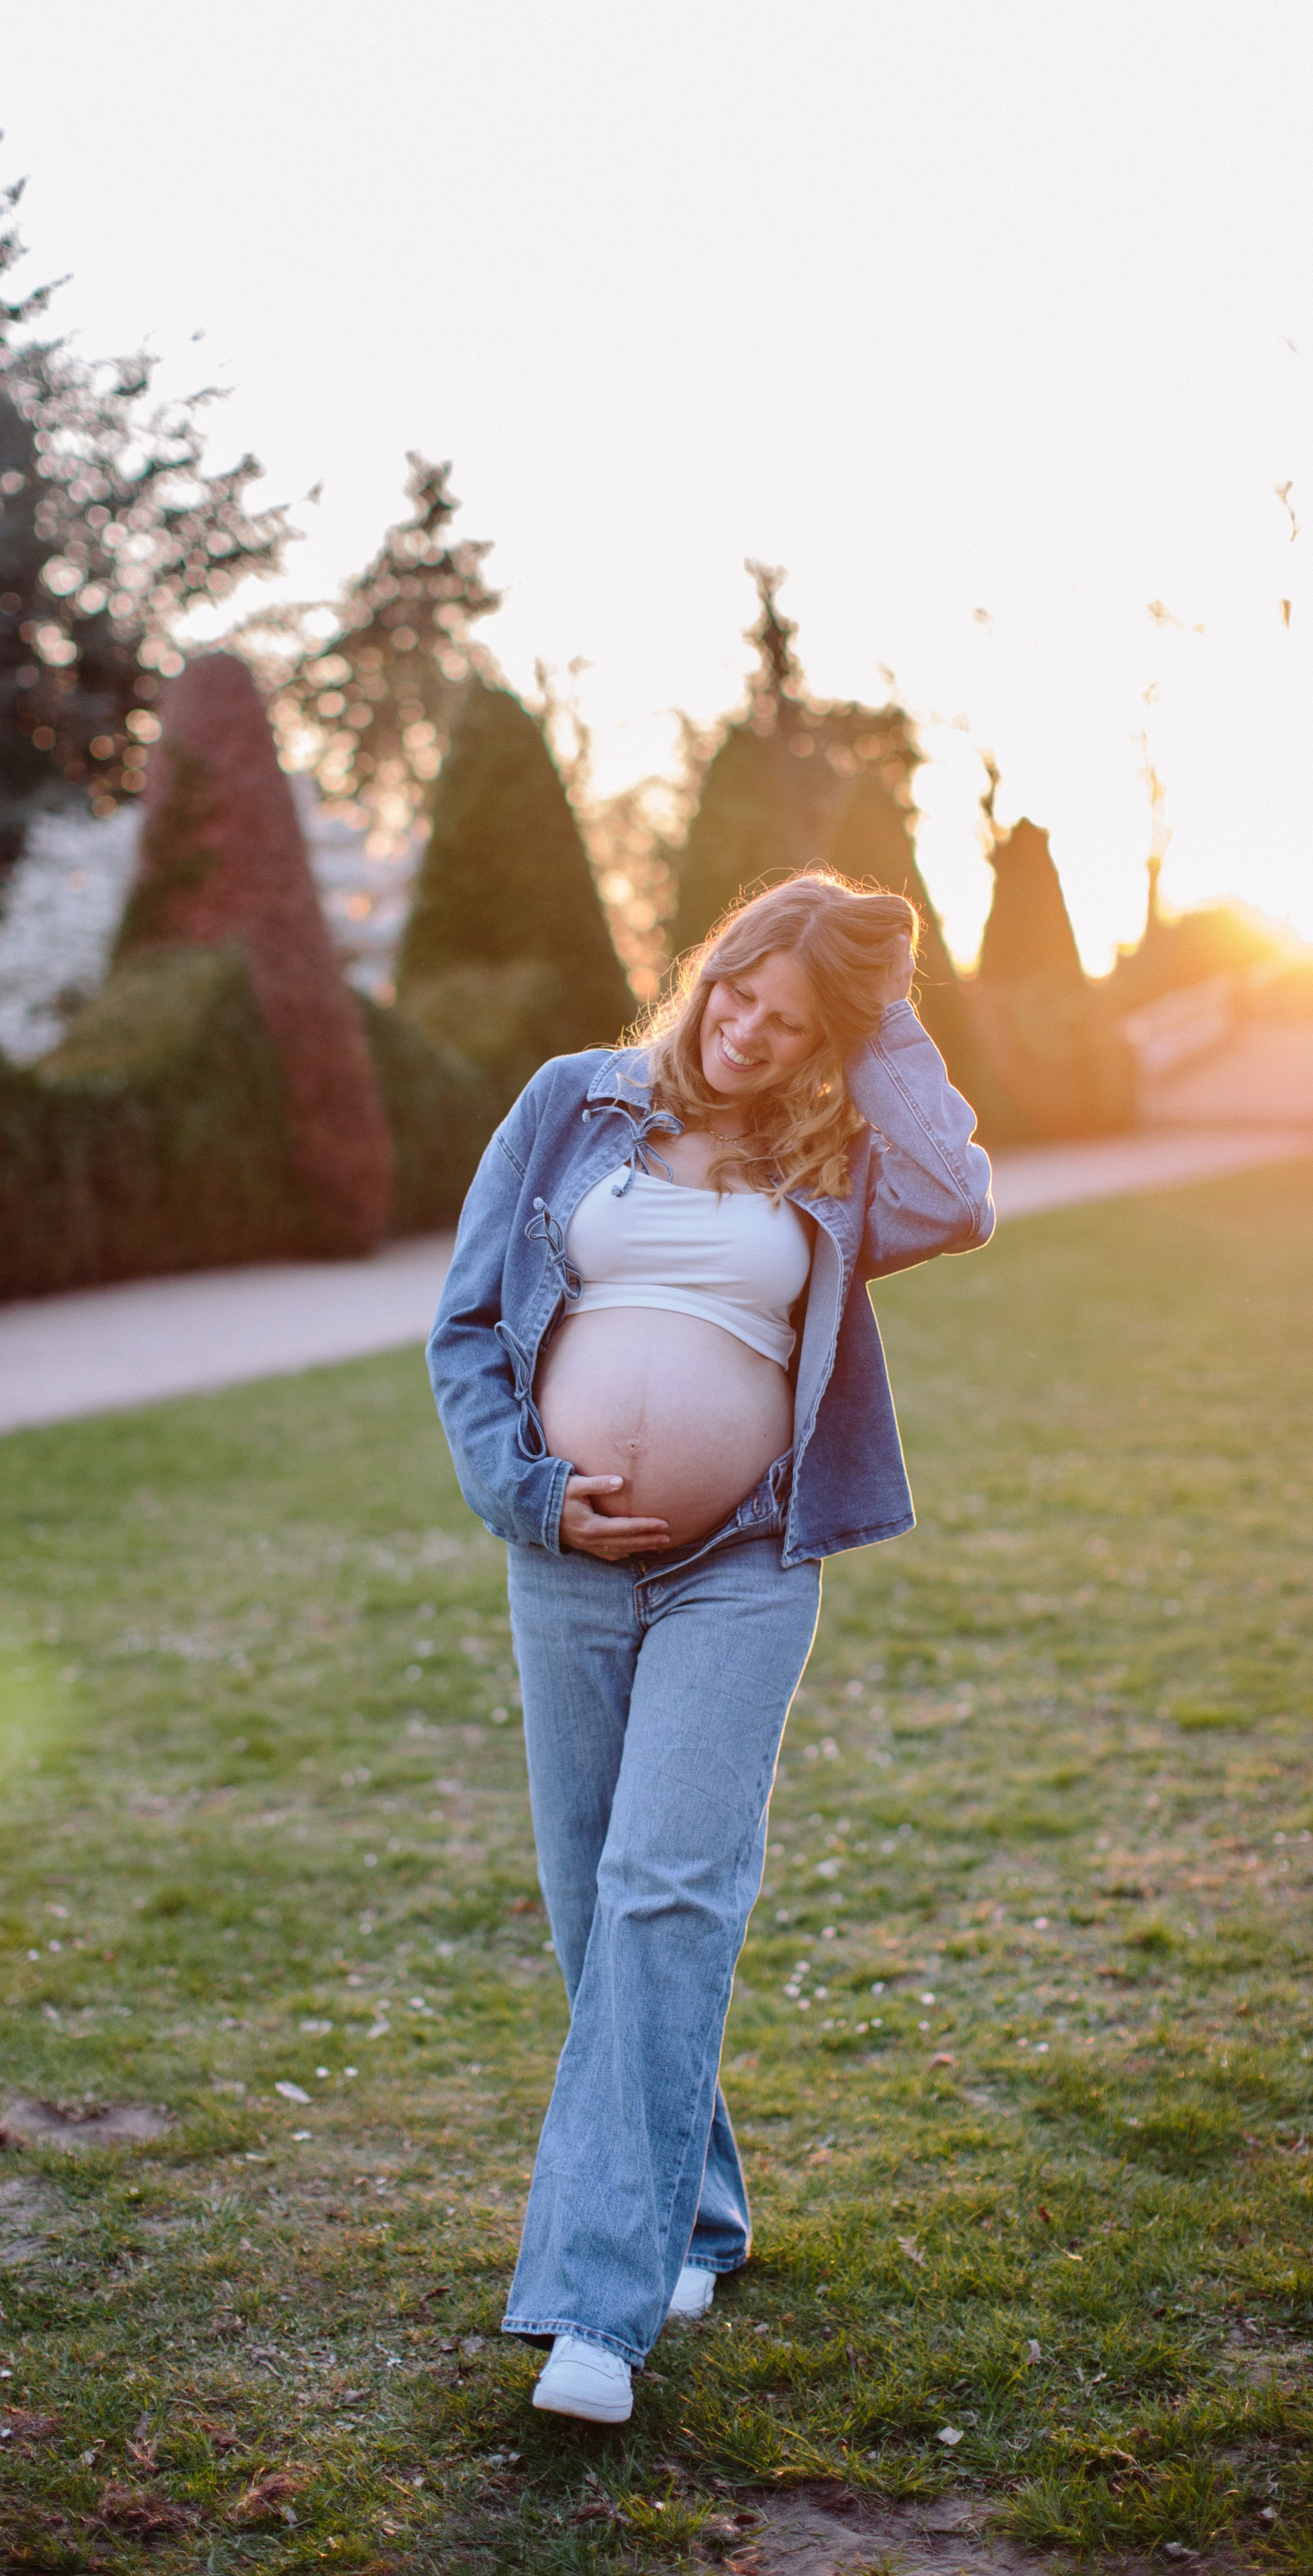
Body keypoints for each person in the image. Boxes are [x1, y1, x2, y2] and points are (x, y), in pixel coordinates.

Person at [427, 870, 994, 2424]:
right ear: (705, 970)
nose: (746, 1031)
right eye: (737, 990)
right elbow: (467, 1325)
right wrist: (527, 1495)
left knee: (666, 1890)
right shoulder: (569, 1104)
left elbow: (961, 1194)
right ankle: (697, 2213)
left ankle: (594, 2317)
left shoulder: (836, 1154)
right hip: (567, 1560)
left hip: (744, 1564)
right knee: (588, 1903)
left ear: (831, 1037)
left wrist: (875, 1028)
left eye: (792, 1020)